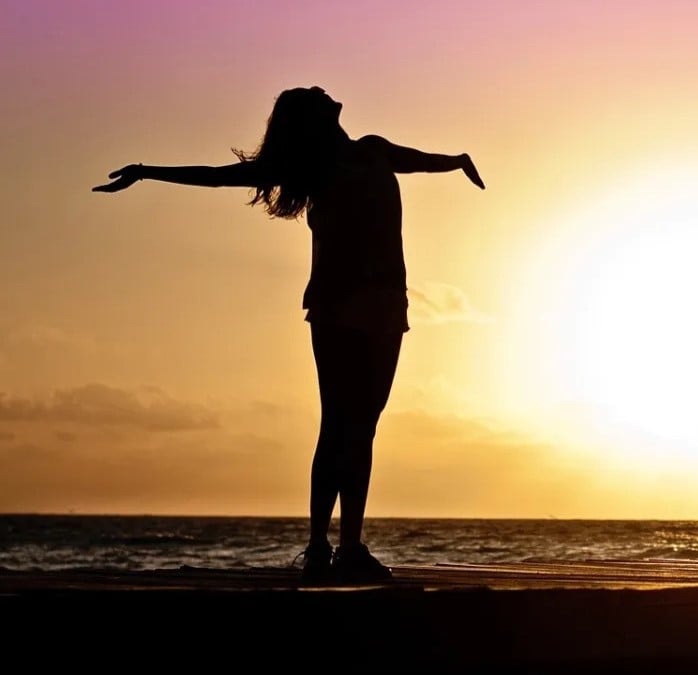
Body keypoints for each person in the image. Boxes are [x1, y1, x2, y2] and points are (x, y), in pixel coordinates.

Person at [93, 86, 485, 584]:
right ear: (312, 120)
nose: (326, 91)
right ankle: (325, 546)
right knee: (341, 424)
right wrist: (147, 172)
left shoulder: (374, 149)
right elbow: (219, 178)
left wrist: (458, 160)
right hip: (339, 305)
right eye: (314, 96)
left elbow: (423, 162)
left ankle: (345, 547)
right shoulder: (313, 167)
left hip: (388, 305)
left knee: (360, 428)